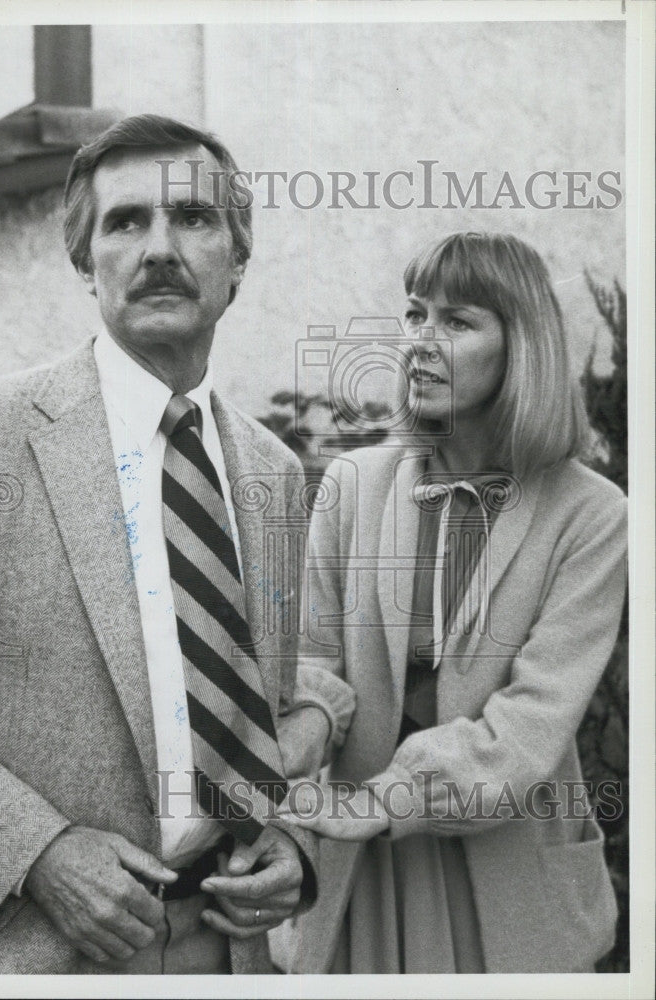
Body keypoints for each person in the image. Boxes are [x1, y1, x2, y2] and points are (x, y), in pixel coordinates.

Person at [0, 114, 334, 975]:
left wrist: (288, 840)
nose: (161, 248)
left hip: (223, 948)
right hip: (23, 950)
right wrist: (39, 852)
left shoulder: (274, 472)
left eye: (196, 220)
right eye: (127, 221)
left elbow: (271, 710)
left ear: (239, 262)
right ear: (84, 261)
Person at [278, 231, 627, 973]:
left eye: (457, 321)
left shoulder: (593, 515)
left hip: (511, 882)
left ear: (521, 345)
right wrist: (302, 731)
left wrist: (384, 802)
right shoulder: (352, 484)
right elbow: (315, 661)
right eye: (413, 315)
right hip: (357, 879)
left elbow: (532, 722)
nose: (420, 343)